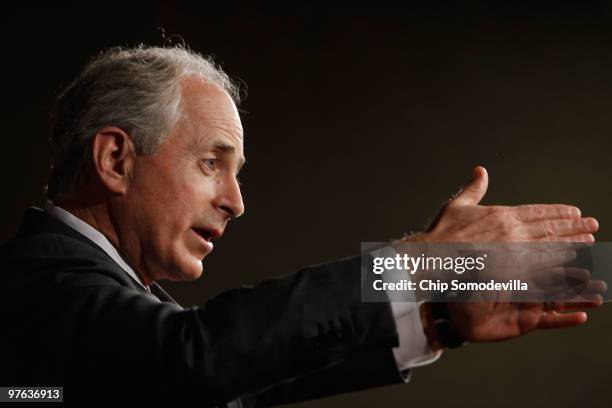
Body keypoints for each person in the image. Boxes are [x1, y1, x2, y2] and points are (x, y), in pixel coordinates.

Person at [0, 45, 601, 407]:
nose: (236, 201)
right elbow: (194, 361)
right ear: (115, 160)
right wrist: (418, 262)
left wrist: (436, 317)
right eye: (212, 163)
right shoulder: (37, 279)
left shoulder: (106, 316)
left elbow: (233, 384)